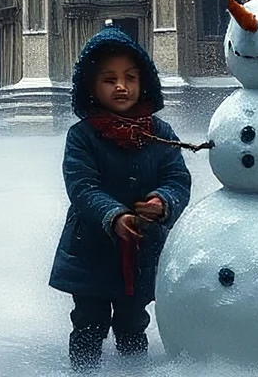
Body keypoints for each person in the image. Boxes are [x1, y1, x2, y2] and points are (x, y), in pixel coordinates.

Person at [48, 25, 193, 369]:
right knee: (88, 320)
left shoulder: (159, 133)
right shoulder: (82, 136)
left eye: (129, 77)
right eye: (109, 79)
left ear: (143, 82)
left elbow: (177, 178)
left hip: (142, 248)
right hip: (91, 248)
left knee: (133, 322)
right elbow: (82, 186)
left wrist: (161, 202)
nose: (121, 87)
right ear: (92, 87)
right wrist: (113, 215)